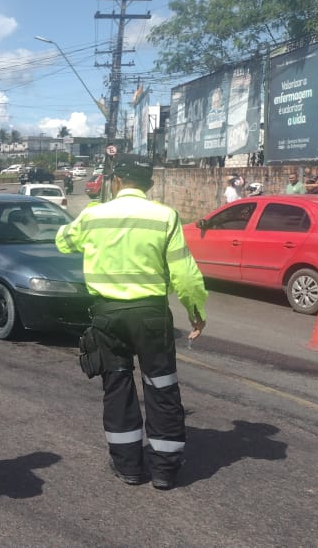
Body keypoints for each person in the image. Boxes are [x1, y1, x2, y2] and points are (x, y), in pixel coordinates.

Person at [55, 154, 208, 491]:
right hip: (152, 316)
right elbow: (183, 273)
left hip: (108, 316)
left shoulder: (94, 216)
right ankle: (165, 471)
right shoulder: (165, 216)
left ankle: (128, 468)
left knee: (117, 386)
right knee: (162, 388)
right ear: (149, 184)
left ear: (117, 181)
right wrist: (195, 310)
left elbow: (63, 243)